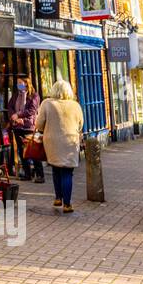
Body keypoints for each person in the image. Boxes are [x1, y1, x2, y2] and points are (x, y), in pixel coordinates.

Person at [35, 79, 84, 213]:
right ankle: (67, 204)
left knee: (56, 168)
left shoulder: (47, 104)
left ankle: (58, 198)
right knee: (67, 171)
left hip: (52, 141)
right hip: (70, 141)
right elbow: (80, 125)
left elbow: (39, 124)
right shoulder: (75, 105)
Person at [6, 76, 41, 181]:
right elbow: (10, 107)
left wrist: (19, 115)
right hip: (17, 126)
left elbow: (32, 110)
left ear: (26, 83)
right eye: (17, 83)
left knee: (33, 151)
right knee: (22, 152)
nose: (18, 85)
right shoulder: (16, 95)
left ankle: (40, 175)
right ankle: (27, 174)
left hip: (28, 127)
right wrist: (14, 118)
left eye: (20, 83)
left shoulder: (34, 96)